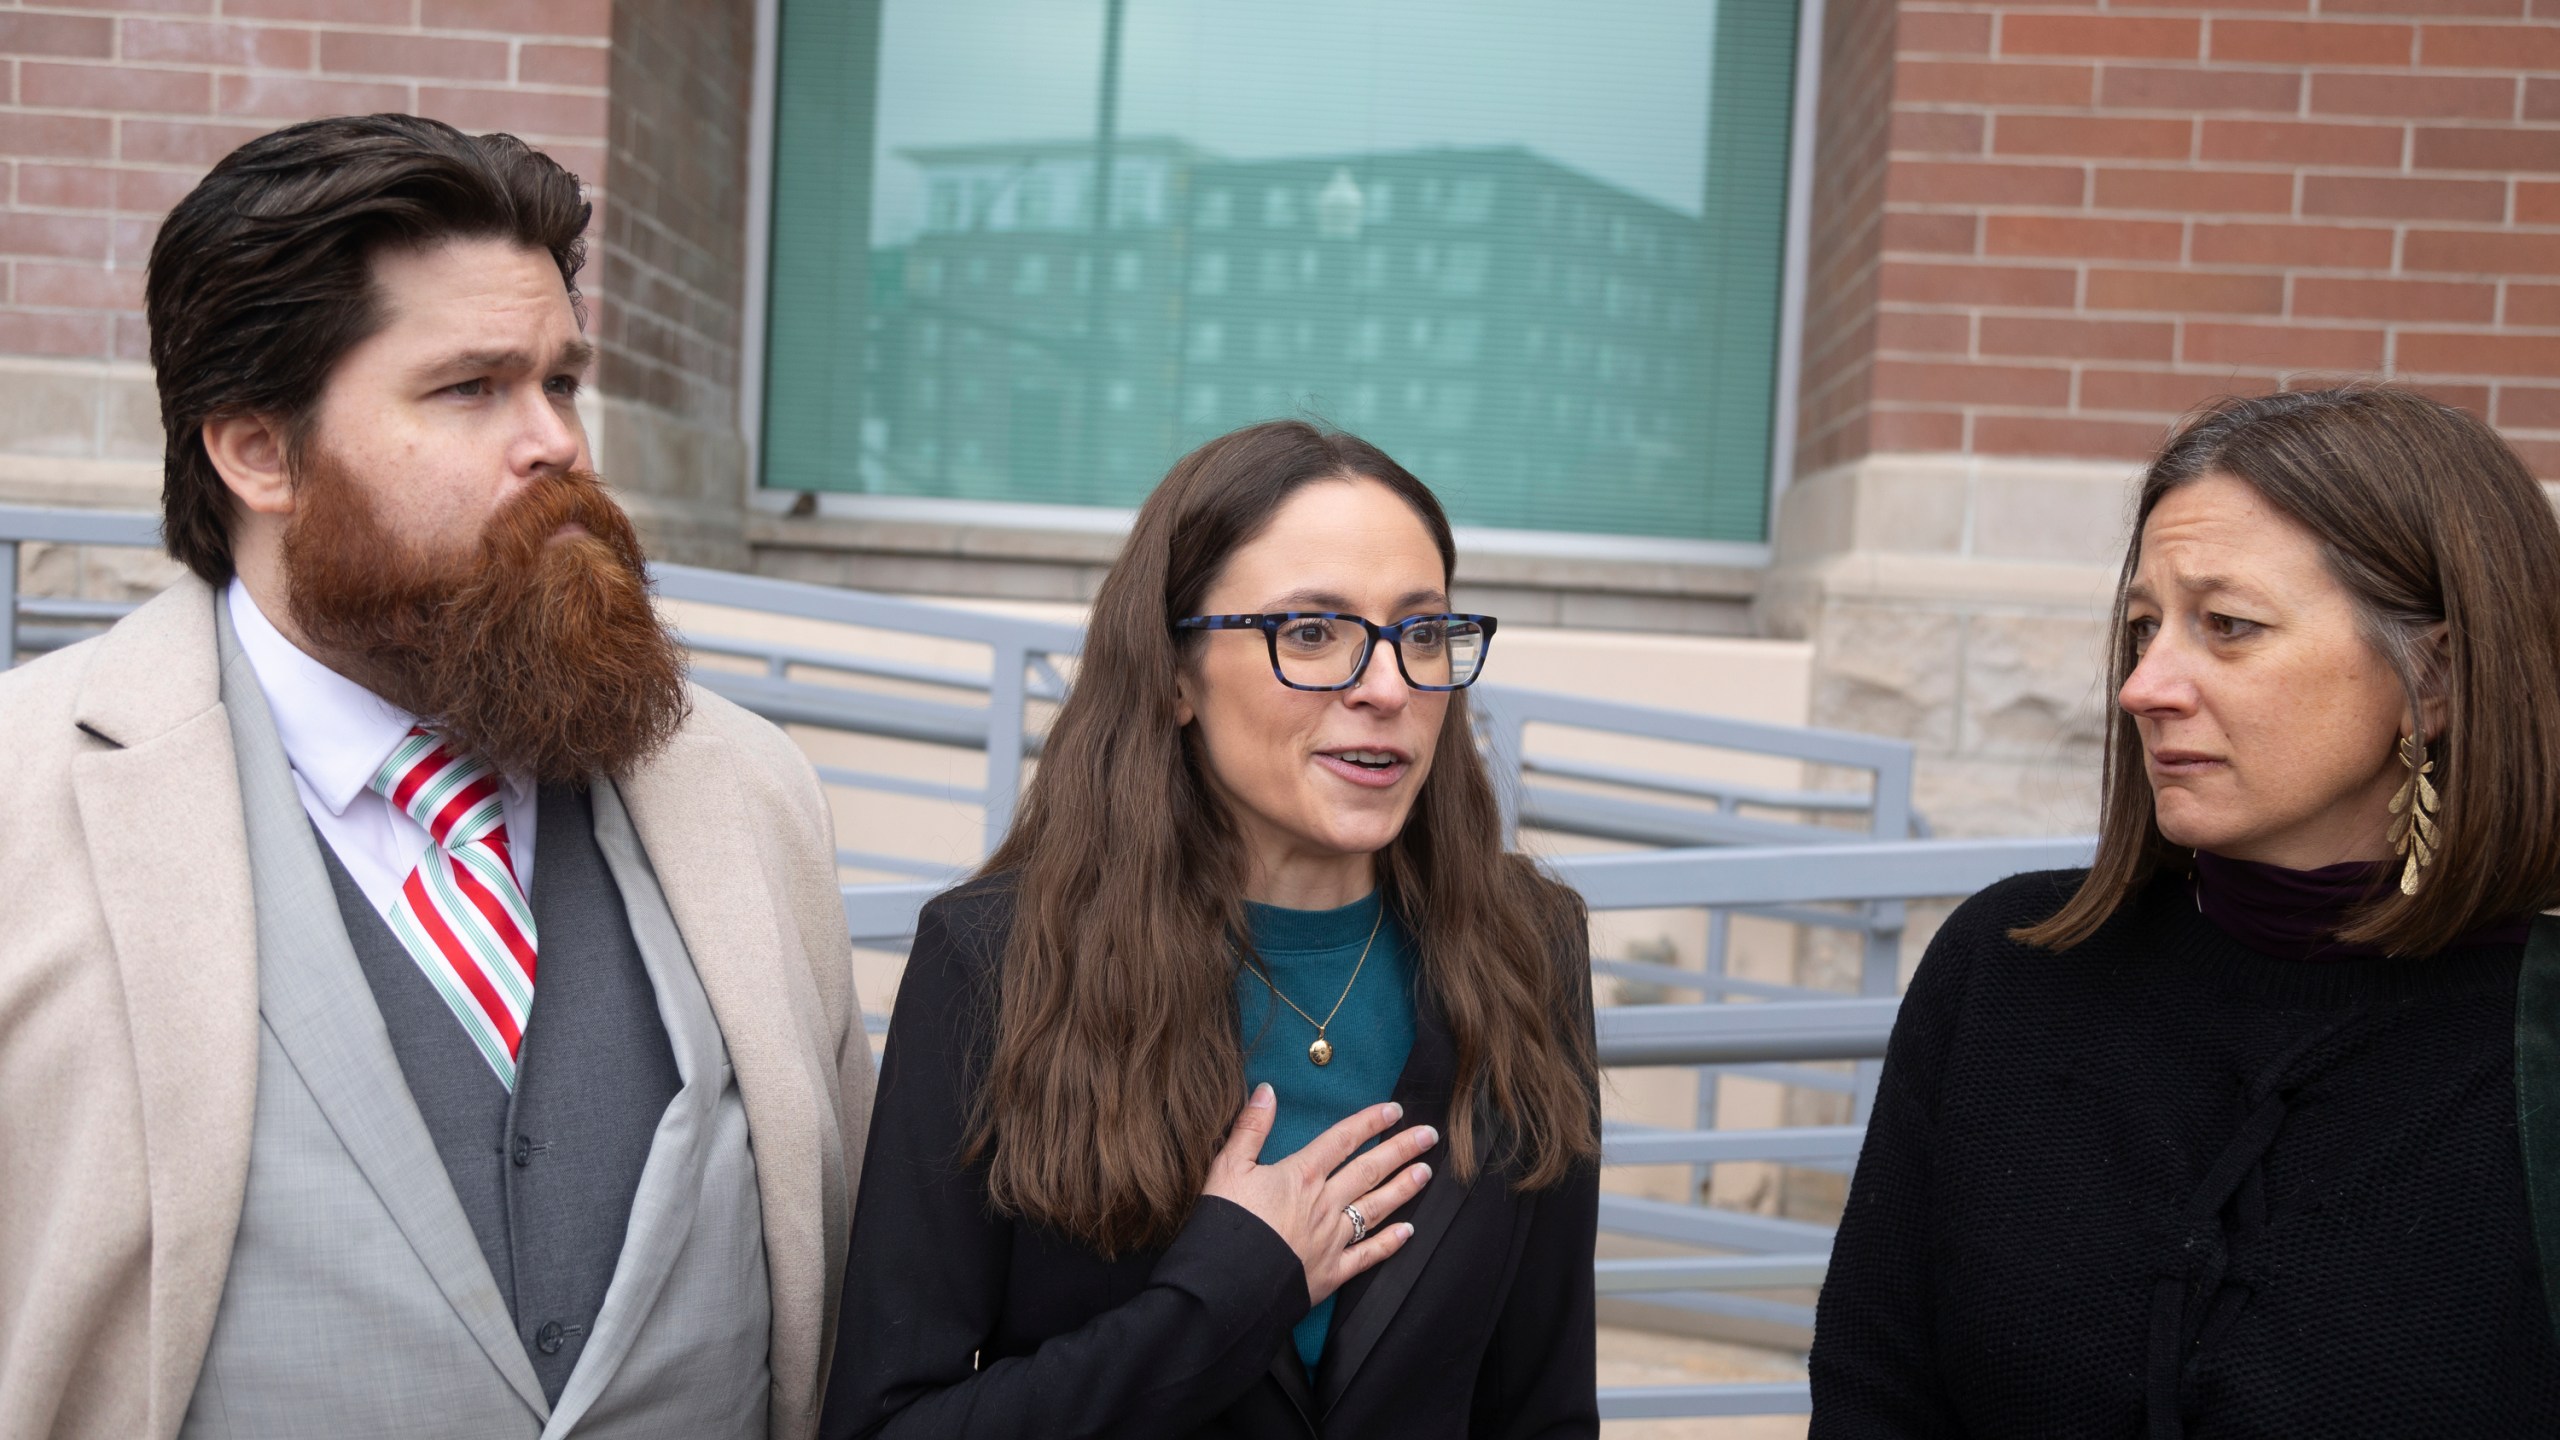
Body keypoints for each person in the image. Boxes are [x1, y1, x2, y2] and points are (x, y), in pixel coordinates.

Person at [0, 115, 873, 1440]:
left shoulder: (751, 794)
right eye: (471, 388)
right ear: (256, 452)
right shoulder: (23, 804)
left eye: (561, 384)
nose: (558, 447)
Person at [821, 421, 1602, 1438]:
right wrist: (1222, 1300)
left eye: (1421, 632)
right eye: (1312, 633)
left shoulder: (1524, 948)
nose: (1387, 688)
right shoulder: (998, 962)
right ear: (1176, 675)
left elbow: (1540, 1411)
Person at [1809, 386, 2560, 1435]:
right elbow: (1872, 1401)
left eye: (2228, 627)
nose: (2144, 685)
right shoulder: (2008, 970)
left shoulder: (2536, 1044)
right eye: (2142, 627)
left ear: (2431, 676)